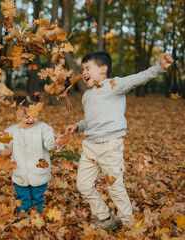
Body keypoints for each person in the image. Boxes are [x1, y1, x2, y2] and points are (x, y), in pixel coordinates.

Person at [66, 51, 174, 232]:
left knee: (115, 187)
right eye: (82, 69)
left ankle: (128, 223)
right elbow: (91, 120)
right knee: (83, 185)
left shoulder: (114, 85)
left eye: (87, 68)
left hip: (110, 147)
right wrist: (78, 126)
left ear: (102, 69)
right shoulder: (87, 95)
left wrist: (159, 68)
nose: (83, 72)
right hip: (90, 147)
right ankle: (106, 218)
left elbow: (138, 78)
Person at [0, 94, 60, 214]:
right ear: (18, 115)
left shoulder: (44, 129)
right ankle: (23, 218)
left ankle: (37, 218)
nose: (31, 120)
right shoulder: (12, 131)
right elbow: (0, 143)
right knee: (22, 200)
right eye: (26, 117)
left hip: (39, 174)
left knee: (37, 200)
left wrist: (56, 141)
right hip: (20, 175)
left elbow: (49, 143)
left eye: (34, 116)